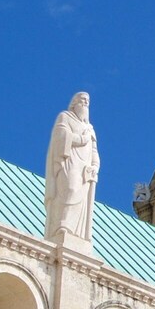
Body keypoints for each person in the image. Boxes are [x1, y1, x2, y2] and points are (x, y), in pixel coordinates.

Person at [45, 92, 100, 245]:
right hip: (69, 163)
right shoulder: (65, 117)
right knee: (70, 189)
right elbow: (60, 136)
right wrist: (81, 139)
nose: (85, 104)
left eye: (87, 102)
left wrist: (95, 165)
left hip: (84, 168)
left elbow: (94, 150)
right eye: (82, 101)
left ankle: (74, 229)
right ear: (74, 103)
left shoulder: (90, 128)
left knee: (80, 196)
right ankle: (62, 224)